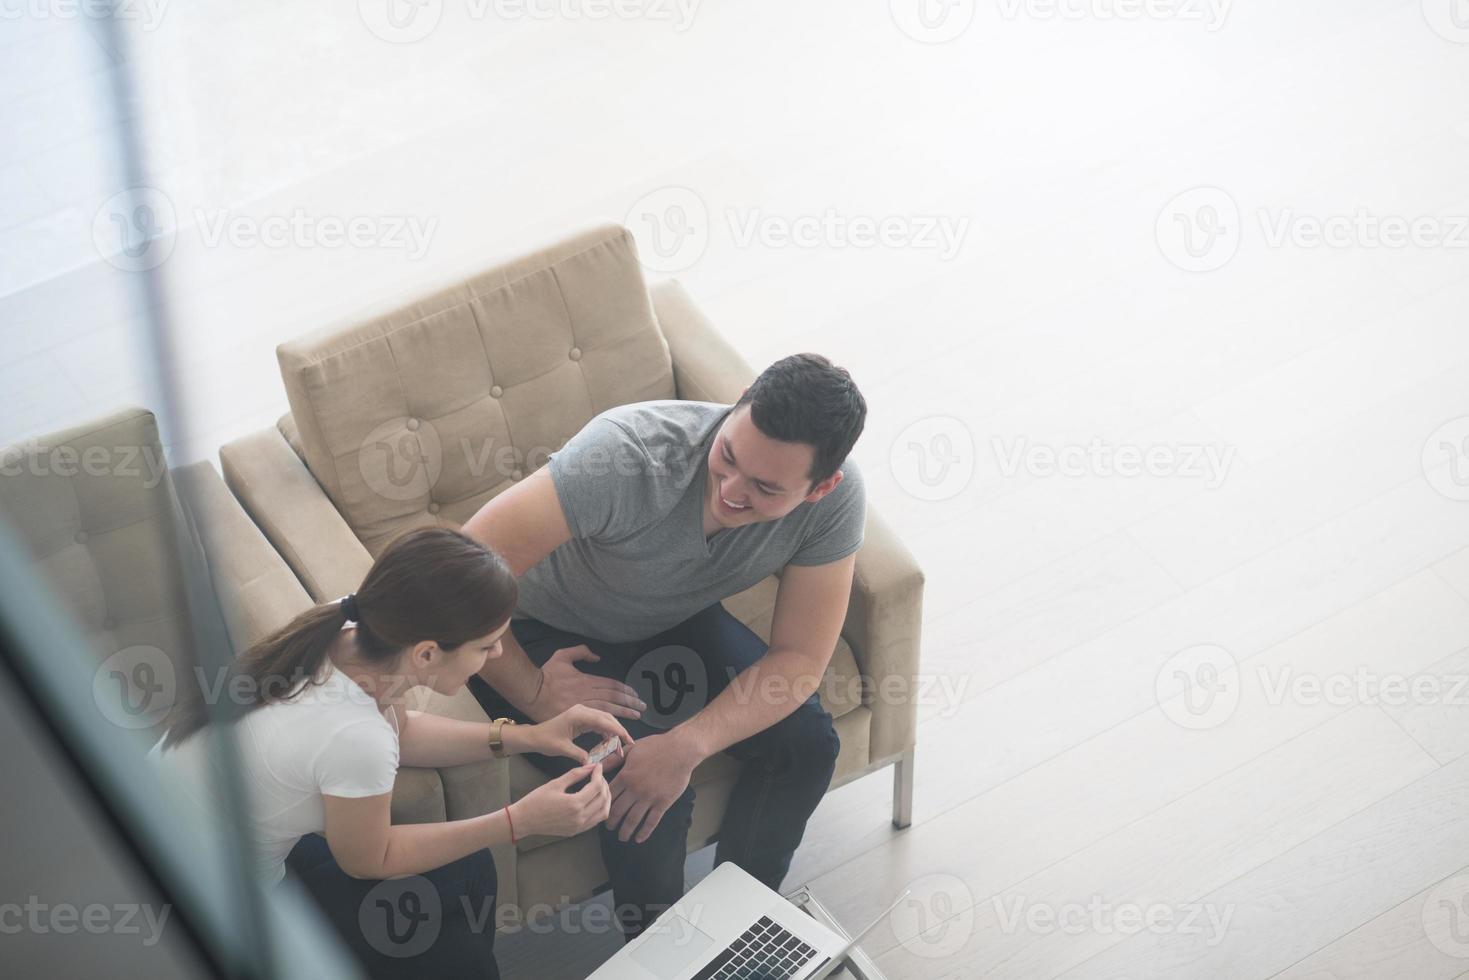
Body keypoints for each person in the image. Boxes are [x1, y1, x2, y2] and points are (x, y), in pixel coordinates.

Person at [463, 352, 868, 939]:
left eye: (763, 488)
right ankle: (662, 958)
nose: (729, 491)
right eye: (727, 456)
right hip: (537, 629)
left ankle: (741, 939)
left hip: (673, 617)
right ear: (738, 403)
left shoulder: (838, 499)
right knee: (642, 790)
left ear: (820, 486)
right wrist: (535, 691)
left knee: (806, 744)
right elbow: (460, 578)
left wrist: (688, 744)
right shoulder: (625, 455)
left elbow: (799, 661)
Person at [151, 527, 632, 979]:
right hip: (212, 904)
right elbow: (369, 858)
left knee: (470, 871)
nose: (499, 656)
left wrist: (526, 735)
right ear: (426, 653)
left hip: (206, 841)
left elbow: (402, 732)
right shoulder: (353, 736)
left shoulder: (347, 633)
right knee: (457, 956)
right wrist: (519, 820)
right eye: (486, 646)